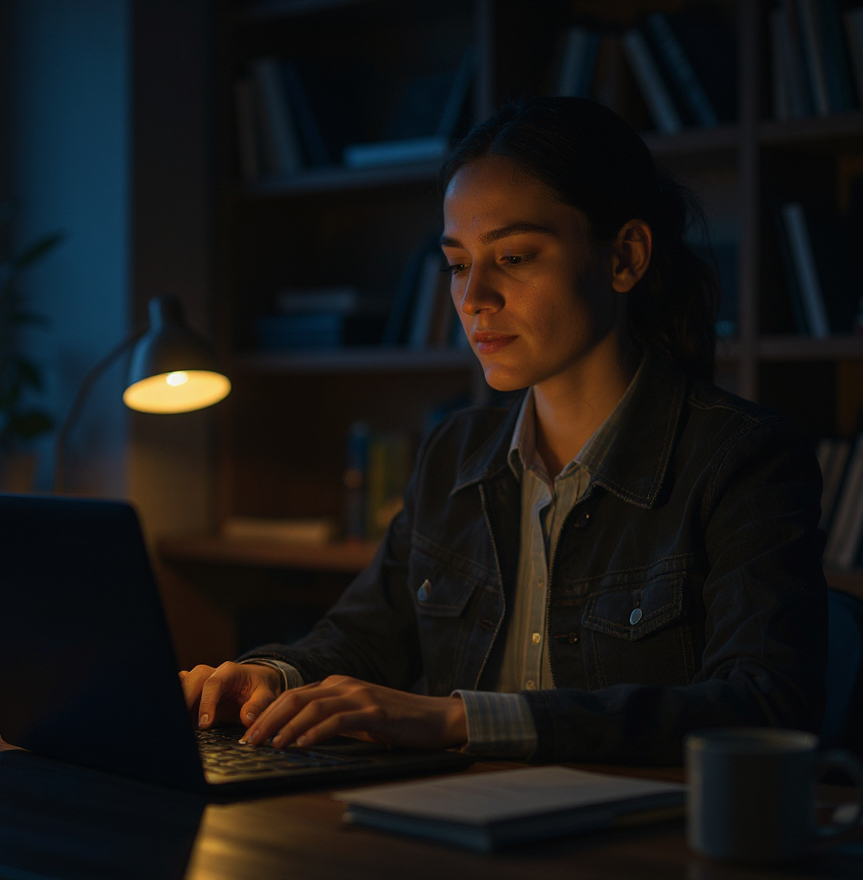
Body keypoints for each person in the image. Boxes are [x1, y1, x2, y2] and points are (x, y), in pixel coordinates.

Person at [180, 97, 827, 765]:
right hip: (465, 830)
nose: (473, 299)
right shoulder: (454, 453)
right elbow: (364, 635)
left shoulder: (741, 458)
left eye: (514, 257)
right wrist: (270, 677)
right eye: (458, 264)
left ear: (625, 258)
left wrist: (463, 720)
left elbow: (764, 702)